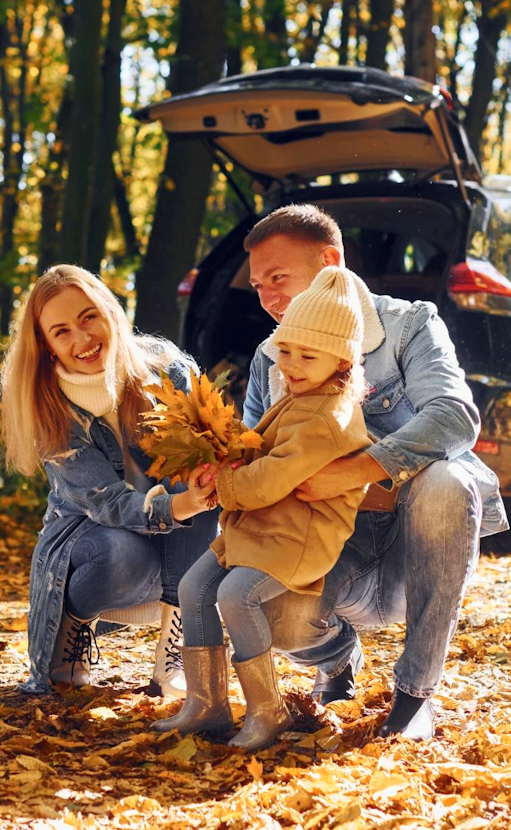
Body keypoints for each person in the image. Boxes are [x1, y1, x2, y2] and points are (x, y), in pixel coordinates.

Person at [242, 205, 509, 739]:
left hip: (414, 553)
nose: (269, 297)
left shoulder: (409, 325)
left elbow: (455, 417)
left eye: (278, 278)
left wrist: (354, 471)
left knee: (445, 481)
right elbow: (253, 458)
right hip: (328, 546)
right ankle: (337, 658)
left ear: (330, 263)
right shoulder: (270, 358)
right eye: (257, 285)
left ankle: (414, 699)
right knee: (269, 614)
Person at [153, 267, 372, 750]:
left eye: (306, 355)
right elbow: (261, 453)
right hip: (262, 524)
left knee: (236, 596)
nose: (291, 364)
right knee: (194, 586)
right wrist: (223, 462)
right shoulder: (302, 395)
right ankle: (207, 702)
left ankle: (266, 710)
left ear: (342, 361)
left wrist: (225, 485)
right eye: (286, 350)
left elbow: (272, 478)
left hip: (298, 536)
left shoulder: (329, 416)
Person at [0, 265, 218, 696]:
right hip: (99, 546)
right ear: (47, 348)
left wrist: (200, 487)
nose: (82, 339)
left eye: (88, 318)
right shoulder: (50, 409)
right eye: (61, 332)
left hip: (181, 549)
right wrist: (183, 505)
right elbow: (108, 504)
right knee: (116, 551)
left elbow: (211, 446)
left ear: (110, 313)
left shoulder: (165, 368)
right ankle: (75, 623)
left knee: (192, 473)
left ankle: (176, 652)